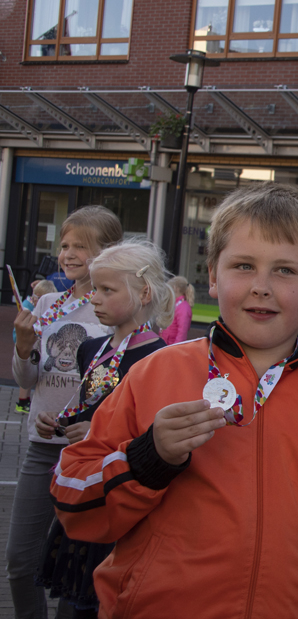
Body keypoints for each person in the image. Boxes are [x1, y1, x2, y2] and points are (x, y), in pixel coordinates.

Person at [51, 183, 298, 618]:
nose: (261, 287)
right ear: (212, 276)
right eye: (244, 266)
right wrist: (146, 459)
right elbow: (73, 503)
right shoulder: (154, 373)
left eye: (285, 270)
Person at [35, 240, 171, 618]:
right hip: (88, 488)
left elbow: (153, 434)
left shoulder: (159, 358)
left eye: (107, 290)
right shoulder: (90, 348)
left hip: (119, 493)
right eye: (94, 288)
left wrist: (98, 430)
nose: (94, 298)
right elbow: (92, 402)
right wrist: (61, 422)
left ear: (144, 293)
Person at [9, 205, 123, 619]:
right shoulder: (48, 305)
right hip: (42, 449)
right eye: (64, 245)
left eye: (81, 247)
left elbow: (127, 385)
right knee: (20, 561)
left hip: (89, 457)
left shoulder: (115, 309)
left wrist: (94, 423)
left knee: (74, 574)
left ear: (107, 252)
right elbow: (28, 375)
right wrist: (24, 346)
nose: (69, 254)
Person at [13, 281, 58, 414]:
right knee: (27, 370)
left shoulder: (47, 310)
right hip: (29, 345)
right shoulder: (29, 309)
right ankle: (22, 401)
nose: (36, 299)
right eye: (36, 296)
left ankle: (25, 400)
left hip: (41, 348)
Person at [159, 275, 195, 344]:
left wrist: (175, 348)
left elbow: (182, 334)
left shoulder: (183, 307)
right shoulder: (175, 304)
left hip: (173, 347)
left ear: (175, 288)